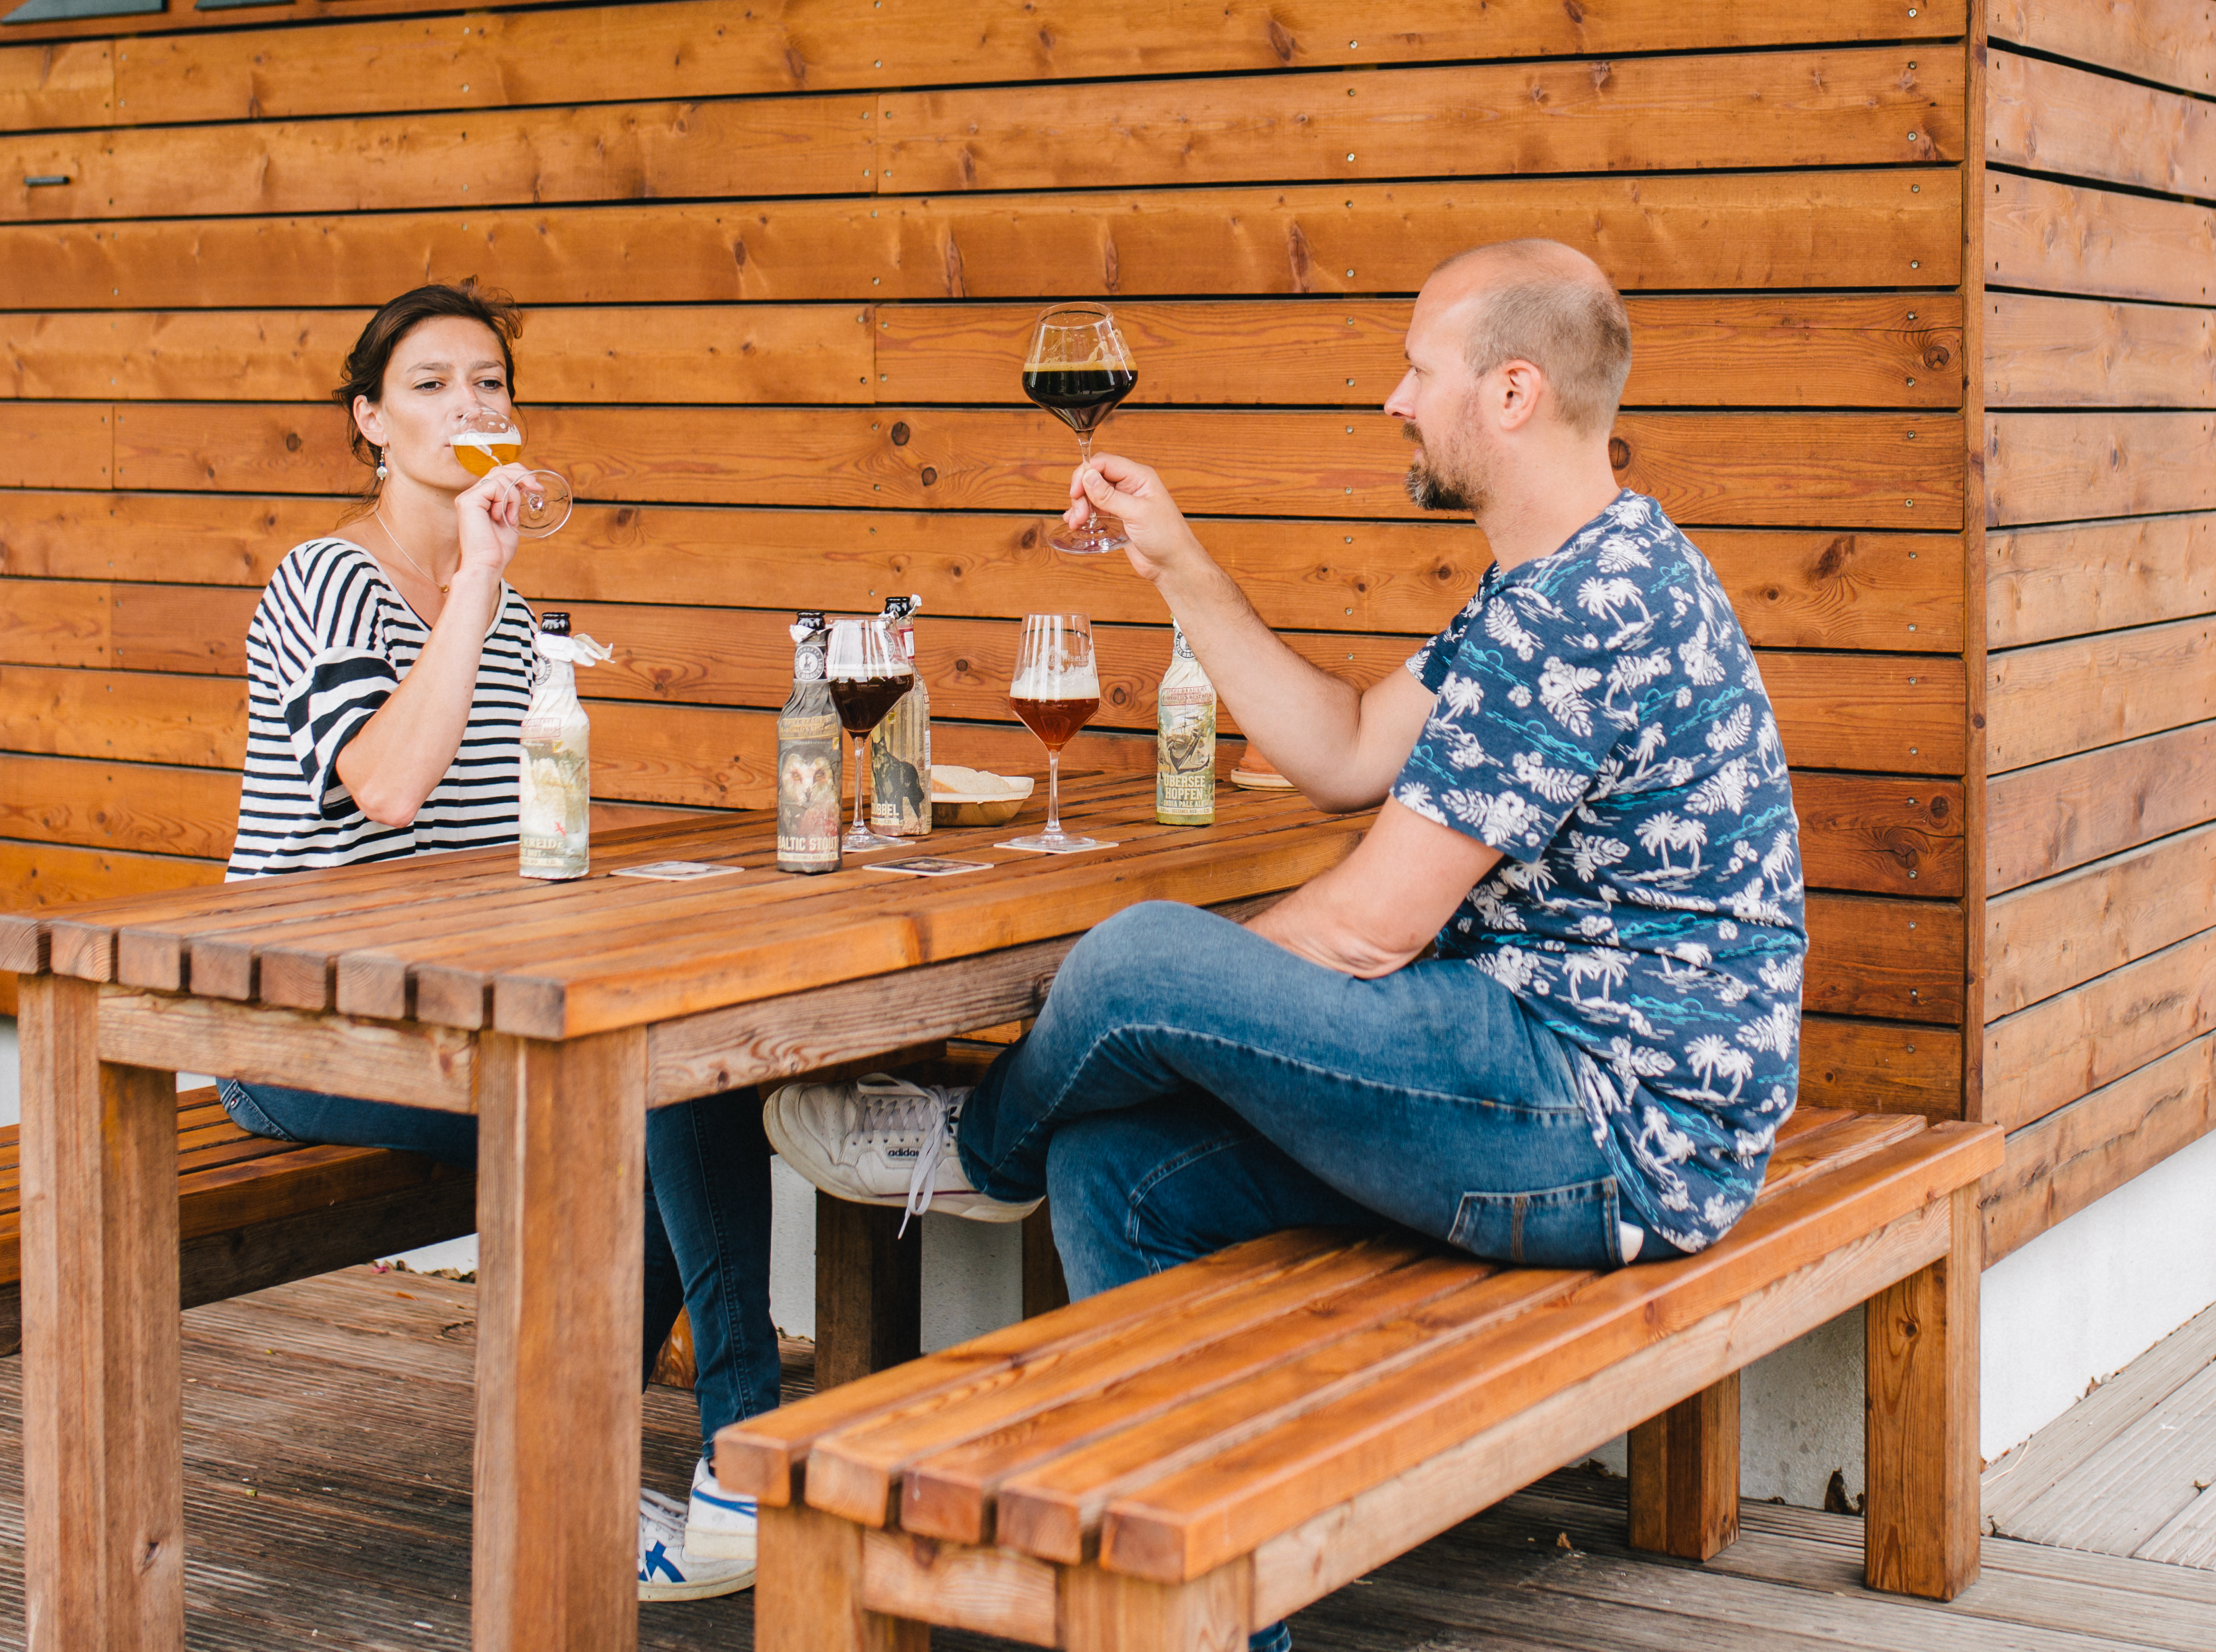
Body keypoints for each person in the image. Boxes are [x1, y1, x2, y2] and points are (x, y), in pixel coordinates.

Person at [764, 241, 1807, 1641]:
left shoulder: (1584, 607)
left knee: (1138, 959)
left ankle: (972, 1147)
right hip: (1545, 1069)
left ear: (1509, 392)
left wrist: (1186, 991)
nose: (1392, 400)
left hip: (1606, 1119)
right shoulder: (1556, 576)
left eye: (1416, 370)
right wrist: (1176, 560)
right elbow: (1345, 749)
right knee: (1121, 1168)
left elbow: (1372, 930)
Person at [226, 281, 777, 1602]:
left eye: (490, 382)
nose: (471, 405)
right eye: (430, 384)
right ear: (369, 421)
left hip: (455, 1002)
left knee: (681, 1064)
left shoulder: (513, 613)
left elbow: (523, 841)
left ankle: (608, 1470)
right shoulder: (329, 580)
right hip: (296, 1022)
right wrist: (479, 575)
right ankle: (742, 1464)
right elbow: (389, 787)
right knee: (643, 1093)